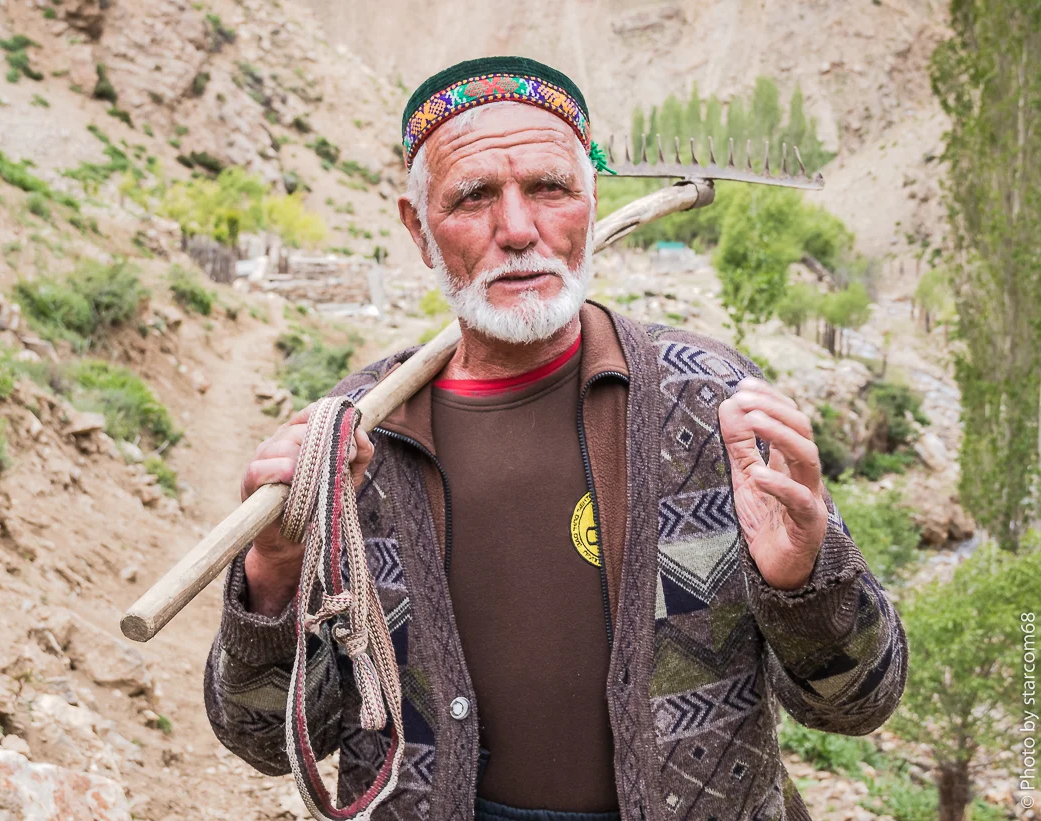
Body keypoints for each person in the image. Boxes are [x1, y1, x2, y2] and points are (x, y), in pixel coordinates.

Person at [204, 56, 908, 821]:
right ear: (419, 229)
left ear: (591, 199)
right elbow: (263, 740)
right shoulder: (352, 443)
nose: (517, 229)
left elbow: (860, 704)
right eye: (472, 197)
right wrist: (272, 569)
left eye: (550, 187)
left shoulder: (713, 404)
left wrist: (805, 578)